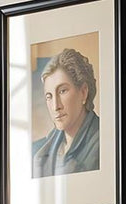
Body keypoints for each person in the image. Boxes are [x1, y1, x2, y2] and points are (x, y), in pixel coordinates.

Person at [32, 48, 100, 178]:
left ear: (83, 92)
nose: (56, 106)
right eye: (49, 96)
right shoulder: (39, 151)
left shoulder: (104, 141)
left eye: (62, 91)